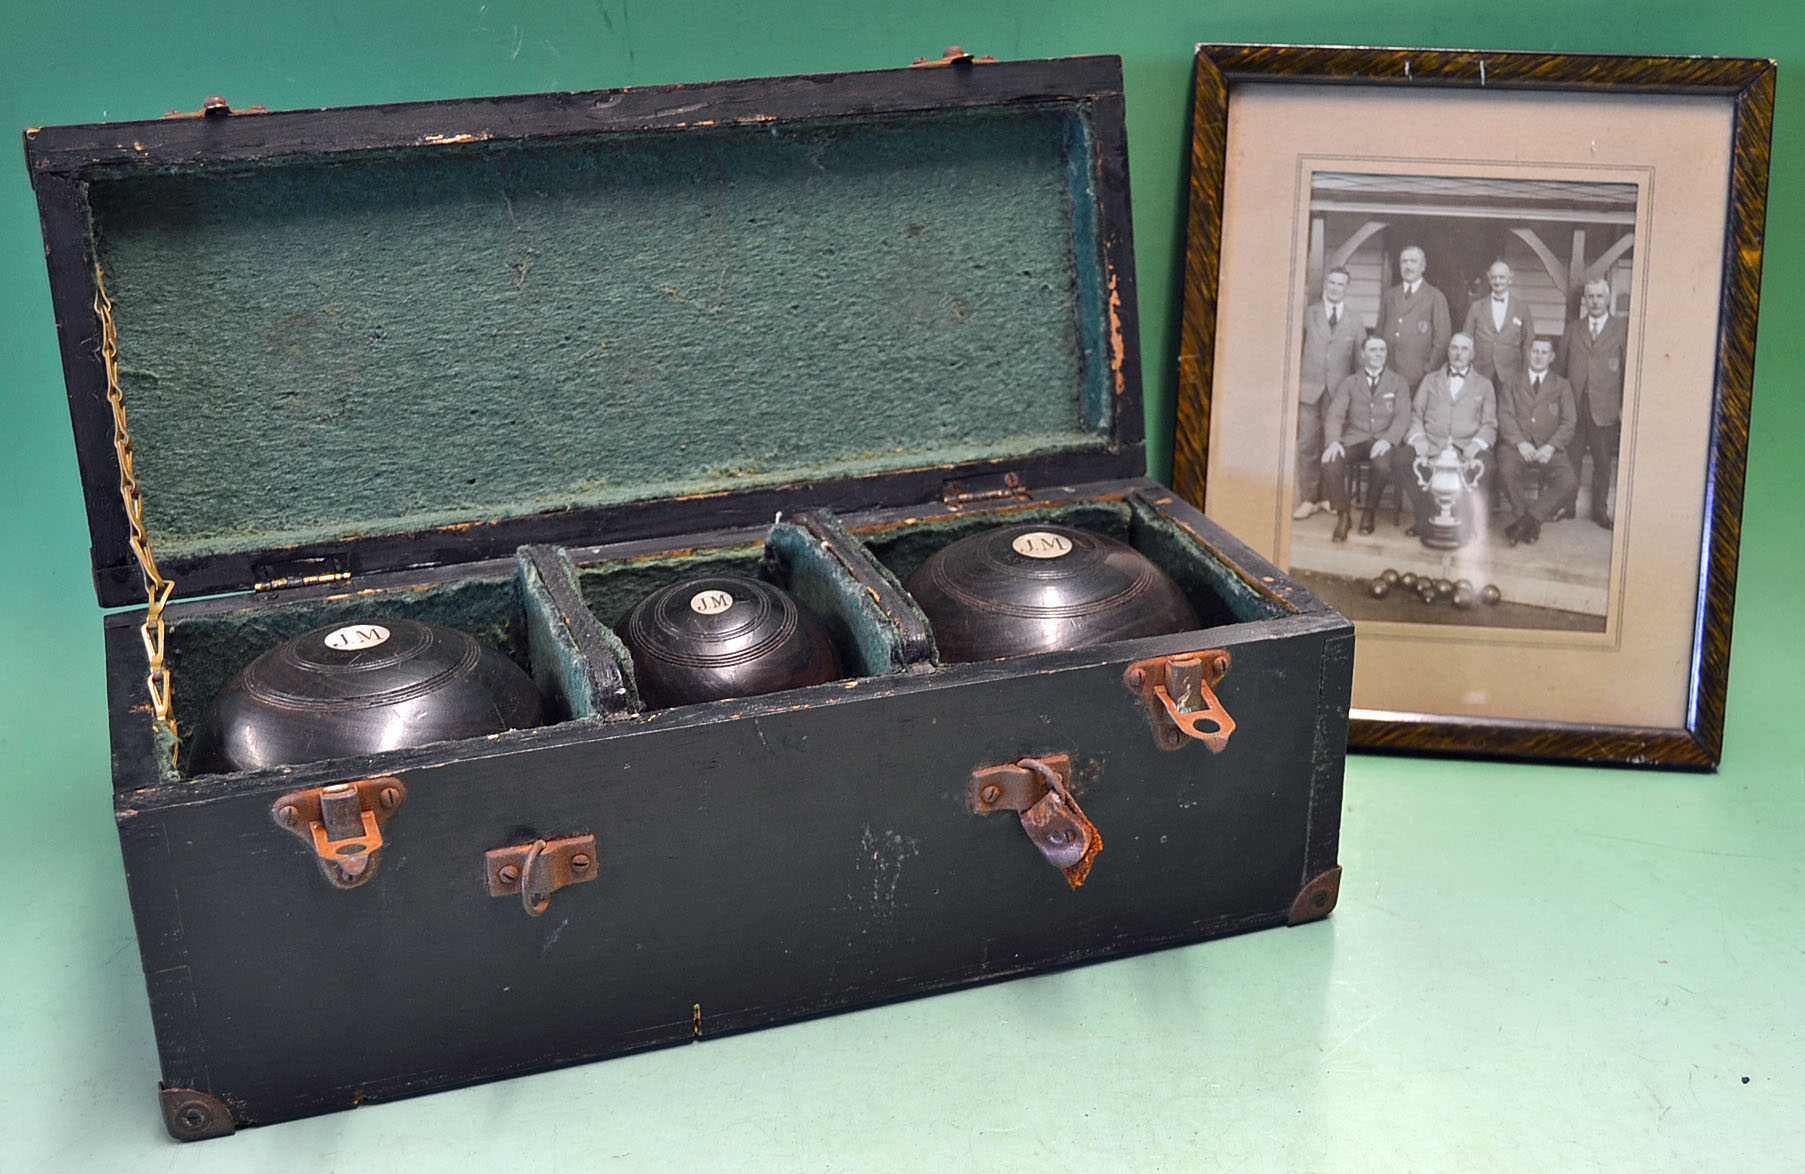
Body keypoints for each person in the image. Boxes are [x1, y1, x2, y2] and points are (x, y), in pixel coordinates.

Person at [1399, 333, 1496, 538]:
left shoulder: (1484, 385)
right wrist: (1418, 438)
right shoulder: (1430, 380)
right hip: (1433, 444)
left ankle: (1468, 522)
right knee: (1401, 459)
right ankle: (1426, 516)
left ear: (1472, 355)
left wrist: (1476, 444)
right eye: (1454, 348)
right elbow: (1416, 414)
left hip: (1465, 447)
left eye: (1464, 349)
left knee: (1486, 465)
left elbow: (1490, 424)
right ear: (1448, 351)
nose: (1458, 353)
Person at [1321, 336, 1411, 542]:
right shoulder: (1350, 382)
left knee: (1382, 467)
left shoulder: (1398, 382)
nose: (1378, 354)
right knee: (1330, 462)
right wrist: (1333, 441)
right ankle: (1343, 515)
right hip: (1355, 438)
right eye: (1373, 350)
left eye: (1382, 350)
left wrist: (1388, 440)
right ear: (1363, 355)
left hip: (1382, 440)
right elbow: (1335, 414)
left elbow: (1402, 416)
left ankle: (1369, 511)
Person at [1293, 267, 1365, 520]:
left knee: (1331, 444)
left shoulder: (1355, 320)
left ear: (1347, 287)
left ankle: (1325, 497)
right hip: (1310, 388)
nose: (1336, 288)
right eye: (1332, 283)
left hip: (1339, 394)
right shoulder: (1308, 314)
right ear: (1326, 284)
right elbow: (1295, 350)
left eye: (1341, 284)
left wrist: (1355, 395)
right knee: (1307, 444)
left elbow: (1359, 362)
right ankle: (1308, 499)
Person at [1496, 338, 1578, 545]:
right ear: (1528, 353)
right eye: (1535, 351)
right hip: (1517, 446)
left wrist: (1551, 446)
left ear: (1551, 358)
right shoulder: (1512, 382)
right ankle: (1525, 520)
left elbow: (1569, 421)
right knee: (1506, 470)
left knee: (1569, 482)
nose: (1539, 356)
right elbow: (1505, 416)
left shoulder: (1562, 385)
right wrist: (1520, 443)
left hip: (1549, 447)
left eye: (1544, 352)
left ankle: (1528, 520)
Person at [1561, 276, 1628, 529]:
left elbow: (1627, 370)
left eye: (1600, 296)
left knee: (1602, 462)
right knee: (1572, 459)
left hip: (1605, 406)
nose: (1595, 301)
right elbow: (1560, 369)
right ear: (1585, 299)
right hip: (1575, 406)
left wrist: (1623, 405)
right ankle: (1567, 507)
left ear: (1607, 298)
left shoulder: (1620, 329)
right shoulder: (1573, 329)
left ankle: (1600, 511)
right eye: (1590, 296)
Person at [1378, 245, 1451, 392]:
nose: (1408, 266)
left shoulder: (1435, 296)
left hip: (1417, 376)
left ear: (1423, 266)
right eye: (1404, 262)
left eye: (1413, 261)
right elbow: (1379, 332)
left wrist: (1428, 370)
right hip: (1388, 372)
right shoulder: (1389, 295)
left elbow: (1442, 339)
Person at [1463, 260, 1535, 388]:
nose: (1497, 281)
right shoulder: (1476, 307)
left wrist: (1526, 373)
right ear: (1489, 280)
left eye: (1502, 277)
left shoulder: (1522, 308)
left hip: (1511, 372)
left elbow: (1528, 343)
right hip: (1481, 371)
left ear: (1509, 279)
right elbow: (1466, 340)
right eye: (1494, 277)